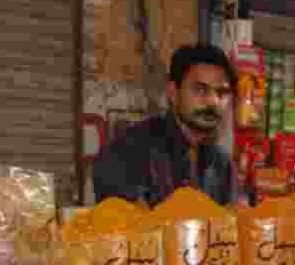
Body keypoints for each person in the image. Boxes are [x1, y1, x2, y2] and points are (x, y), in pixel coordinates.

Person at [93, 44, 240, 207]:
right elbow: (130, 224)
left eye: (222, 92)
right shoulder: (129, 151)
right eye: (200, 89)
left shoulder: (223, 166)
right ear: (173, 93)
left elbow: (230, 226)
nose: (213, 101)